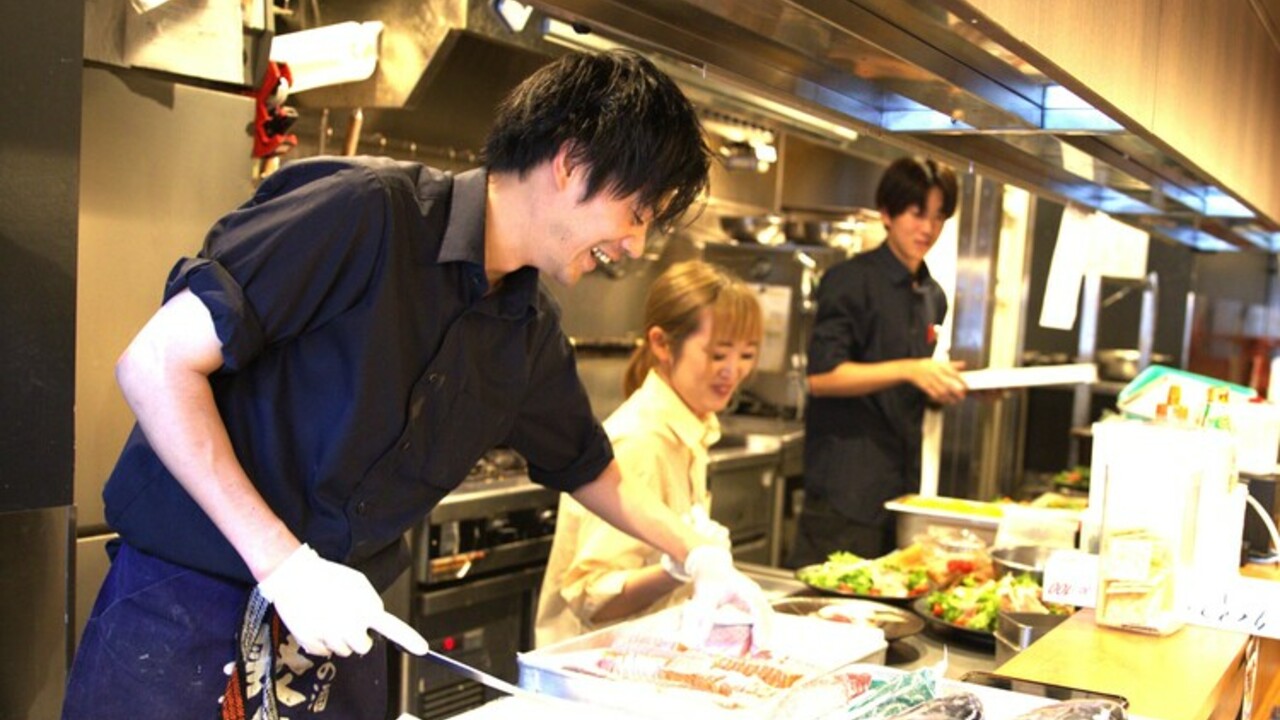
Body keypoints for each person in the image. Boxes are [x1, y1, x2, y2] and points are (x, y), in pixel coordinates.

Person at [63, 50, 769, 720]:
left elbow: (590, 470)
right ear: (570, 162)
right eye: (637, 214)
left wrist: (698, 555)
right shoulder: (363, 211)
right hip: (184, 615)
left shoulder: (529, 329)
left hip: (335, 640)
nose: (635, 245)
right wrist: (285, 567)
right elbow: (154, 364)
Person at [536, 260, 763, 647]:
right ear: (661, 343)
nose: (733, 371)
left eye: (746, 355)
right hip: (595, 666)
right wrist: (677, 567)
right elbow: (592, 600)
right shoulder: (641, 440)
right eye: (718, 354)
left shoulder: (692, 427)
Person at [788, 156, 968, 566]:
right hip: (844, 493)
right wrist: (912, 369)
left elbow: (904, 387)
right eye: (917, 213)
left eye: (939, 217)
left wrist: (945, 387)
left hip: (901, 491)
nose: (928, 228)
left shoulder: (933, 296)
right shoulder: (849, 281)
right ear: (887, 213)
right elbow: (822, 377)